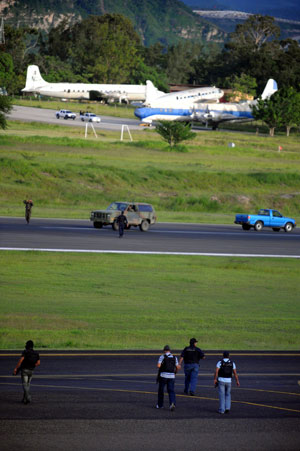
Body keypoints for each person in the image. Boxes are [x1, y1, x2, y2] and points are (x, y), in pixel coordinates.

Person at [13, 340, 40, 404]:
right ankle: (24, 399)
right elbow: (38, 363)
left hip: (24, 370)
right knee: (28, 385)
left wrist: (16, 368)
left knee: (25, 385)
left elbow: (21, 360)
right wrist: (32, 365)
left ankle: (28, 397)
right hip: (31, 370)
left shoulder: (25, 352)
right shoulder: (36, 353)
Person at [156, 345, 180, 411]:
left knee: (161, 390)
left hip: (163, 375)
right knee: (171, 391)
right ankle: (172, 403)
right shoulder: (174, 357)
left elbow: (158, 366)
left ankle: (160, 405)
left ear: (164, 350)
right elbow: (177, 367)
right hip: (171, 376)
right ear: (170, 350)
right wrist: (175, 373)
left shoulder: (162, 356)